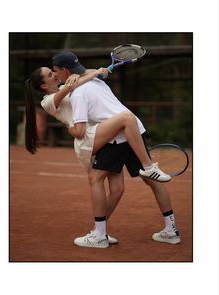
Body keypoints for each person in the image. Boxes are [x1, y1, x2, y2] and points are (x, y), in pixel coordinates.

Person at [51, 51, 181, 248]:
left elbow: (79, 131)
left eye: (56, 71)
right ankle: (171, 231)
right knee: (151, 179)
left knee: (95, 179)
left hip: (118, 136)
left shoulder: (78, 93)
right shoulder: (97, 81)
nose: (56, 76)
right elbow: (95, 74)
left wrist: (68, 126)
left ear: (65, 70)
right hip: (135, 129)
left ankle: (99, 235)